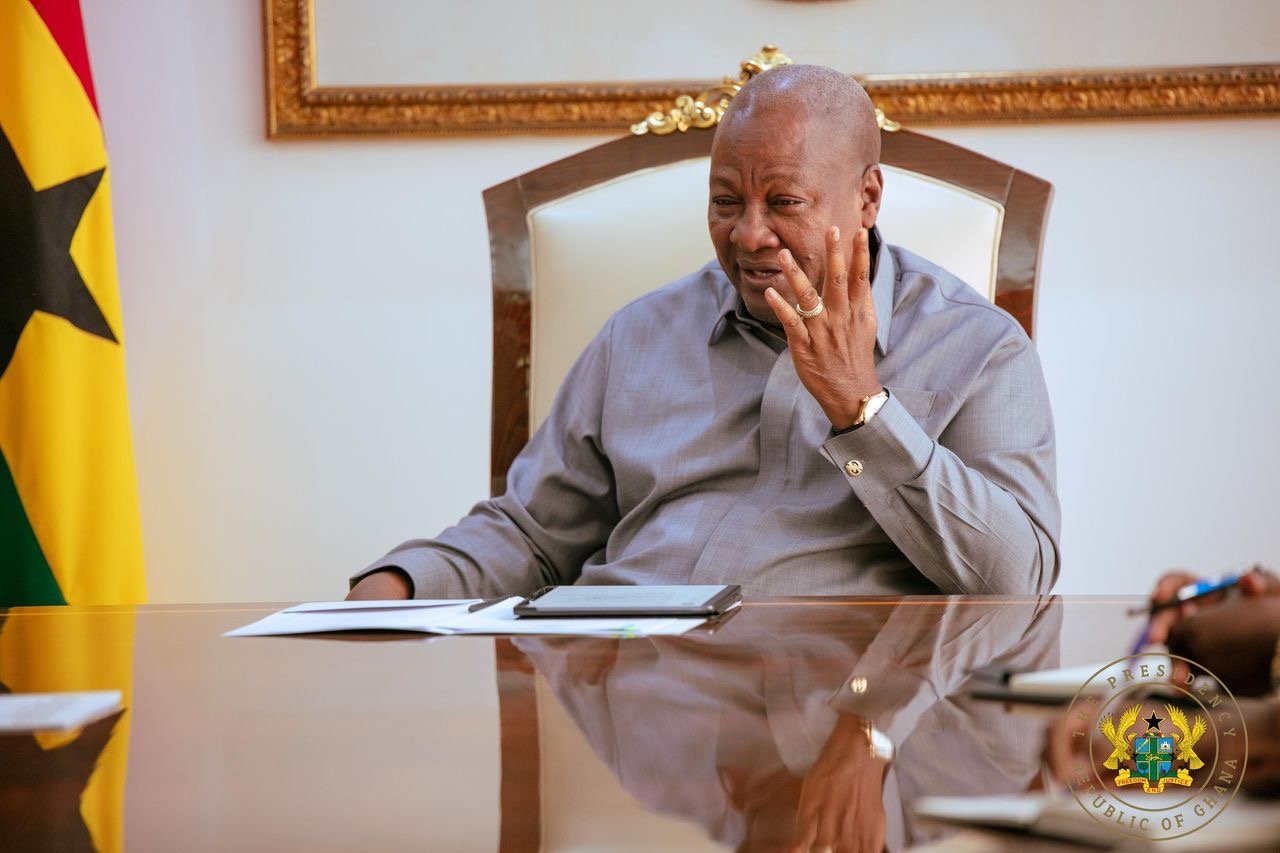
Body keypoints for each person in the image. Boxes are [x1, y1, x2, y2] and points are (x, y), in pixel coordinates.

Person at [349, 64, 1060, 601]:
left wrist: (862, 410)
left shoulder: (978, 348)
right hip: (630, 692)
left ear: (867, 197)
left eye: (784, 202)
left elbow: (1016, 578)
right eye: (725, 201)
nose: (748, 234)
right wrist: (400, 584)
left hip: (839, 700)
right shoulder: (637, 336)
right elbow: (533, 535)